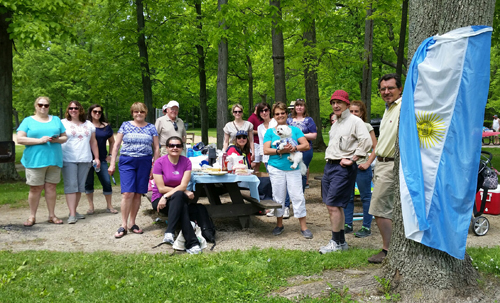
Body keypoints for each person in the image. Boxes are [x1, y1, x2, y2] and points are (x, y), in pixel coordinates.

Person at [319, 90, 372, 254]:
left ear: (347, 104)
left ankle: (335, 242)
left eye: (339, 102)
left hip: (343, 168)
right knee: (333, 205)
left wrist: (353, 159)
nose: (335, 105)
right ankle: (341, 242)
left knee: (333, 205)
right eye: (333, 102)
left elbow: (367, 141)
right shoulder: (336, 123)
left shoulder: (355, 121)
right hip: (330, 166)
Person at [109, 102, 160, 238]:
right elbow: (116, 145)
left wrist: (154, 167)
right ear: (132, 113)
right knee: (127, 193)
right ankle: (123, 225)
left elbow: (156, 148)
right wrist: (112, 163)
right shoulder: (125, 125)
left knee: (138, 194)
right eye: (136, 112)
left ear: (145, 113)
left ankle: (133, 223)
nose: (139, 114)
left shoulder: (151, 128)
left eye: (141, 112)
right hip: (127, 161)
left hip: (144, 162)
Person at [263, 102, 313, 239]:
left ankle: (304, 227)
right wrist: (279, 150)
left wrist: (294, 148)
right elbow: (266, 150)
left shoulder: (295, 130)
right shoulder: (270, 132)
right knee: (278, 196)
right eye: (277, 114)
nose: (280, 116)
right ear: (274, 116)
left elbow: (306, 145)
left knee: (297, 195)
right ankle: (279, 225)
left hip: (293, 168)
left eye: (282, 113)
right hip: (276, 168)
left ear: (287, 114)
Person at [367, 73, 403, 263]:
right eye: (383, 89)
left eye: (390, 88)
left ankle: (387, 251)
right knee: (386, 208)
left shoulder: (403, 107)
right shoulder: (389, 108)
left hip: (391, 164)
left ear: (400, 89)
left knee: (379, 208)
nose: (386, 91)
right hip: (381, 164)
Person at [17, 96, 68, 226]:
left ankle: (52, 215)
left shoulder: (56, 120)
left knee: (51, 187)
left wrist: (57, 139)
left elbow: (65, 137)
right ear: (36, 106)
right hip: (35, 160)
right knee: (35, 188)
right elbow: (20, 139)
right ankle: (32, 216)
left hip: (54, 159)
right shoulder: (28, 121)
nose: (43, 107)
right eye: (40, 105)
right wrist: (40, 140)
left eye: (46, 105)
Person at [151, 136, 202, 254]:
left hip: (171, 198)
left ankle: (170, 232)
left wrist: (168, 195)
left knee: (179, 196)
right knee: (182, 205)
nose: (175, 148)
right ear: (167, 148)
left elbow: (183, 185)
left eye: (178, 146)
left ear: (182, 148)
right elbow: (161, 188)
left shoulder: (186, 162)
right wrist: (167, 196)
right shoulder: (159, 162)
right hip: (159, 201)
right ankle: (192, 243)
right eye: (172, 146)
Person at [61, 101, 100, 224]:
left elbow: (93, 142)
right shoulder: (62, 123)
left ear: (80, 110)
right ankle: (72, 214)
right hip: (68, 158)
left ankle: (74, 210)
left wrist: (97, 158)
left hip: (85, 158)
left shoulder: (88, 124)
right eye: (71, 108)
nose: (73, 110)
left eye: (76, 108)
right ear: (68, 110)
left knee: (79, 187)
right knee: (71, 185)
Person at [343, 100, 378, 238]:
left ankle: (366, 226)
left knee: (365, 197)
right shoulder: (344, 126)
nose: (353, 114)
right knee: (348, 196)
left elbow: (375, 147)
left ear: (362, 113)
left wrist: (369, 163)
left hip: (362, 166)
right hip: (347, 167)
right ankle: (348, 224)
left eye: (356, 111)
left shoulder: (366, 126)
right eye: (351, 111)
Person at [284, 98, 317, 215]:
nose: (299, 108)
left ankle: (299, 200)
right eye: (297, 106)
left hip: (305, 150)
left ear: (304, 108)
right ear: (294, 108)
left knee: (302, 174)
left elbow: (314, 135)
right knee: (288, 174)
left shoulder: (309, 120)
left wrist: (300, 135)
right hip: (290, 150)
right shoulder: (288, 120)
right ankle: (286, 205)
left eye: (301, 106)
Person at [85, 104, 118, 215]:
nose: (97, 113)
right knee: (88, 183)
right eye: (95, 111)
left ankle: (109, 206)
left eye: (99, 112)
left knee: (106, 182)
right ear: (90, 112)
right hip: (86, 158)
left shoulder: (106, 127)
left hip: (102, 159)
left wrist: (110, 154)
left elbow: (112, 141)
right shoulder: (85, 125)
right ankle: (91, 207)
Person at [247, 104, 262, 170]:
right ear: (256, 108)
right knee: (254, 163)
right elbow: (248, 130)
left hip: (261, 142)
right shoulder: (252, 118)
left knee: (258, 163)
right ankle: (248, 172)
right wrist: (259, 132)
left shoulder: (261, 117)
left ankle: (256, 175)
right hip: (255, 142)